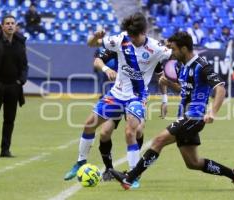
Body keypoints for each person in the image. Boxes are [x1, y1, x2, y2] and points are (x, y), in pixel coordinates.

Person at [109, 31, 234, 191]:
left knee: (158, 140)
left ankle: (130, 178)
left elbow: (220, 88)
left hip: (194, 117)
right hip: (186, 116)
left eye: (173, 49)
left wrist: (212, 112)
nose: (171, 52)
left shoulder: (202, 66)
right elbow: (186, 90)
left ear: (184, 48)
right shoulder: (182, 66)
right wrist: (170, 83)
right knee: (193, 163)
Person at [63, 12, 172, 188]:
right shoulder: (121, 39)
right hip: (117, 93)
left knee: (131, 132)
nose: (132, 39)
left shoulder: (156, 48)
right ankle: (80, 163)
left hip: (137, 96)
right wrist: (95, 37)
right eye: (130, 36)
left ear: (144, 32)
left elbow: (173, 60)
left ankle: (133, 175)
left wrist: (165, 99)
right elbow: (92, 45)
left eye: (135, 36)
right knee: (90, 124)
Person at [93, 47, 167, 181]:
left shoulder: (152, 51)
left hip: (137, 98)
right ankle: (109, 169)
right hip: (118, 96)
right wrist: (106, 69)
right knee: (104, 133)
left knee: (137, 131)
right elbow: (97, 59)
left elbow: (160, 76)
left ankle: (134, 172)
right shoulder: (119, 46)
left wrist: (164, 100)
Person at [0, 15, 28, 158]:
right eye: (7, 23)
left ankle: (5, 150)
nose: (10, 26)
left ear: (16, 25)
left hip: (14, 86)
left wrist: (21, 81)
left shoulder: (20, 42)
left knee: (9, 119)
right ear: (2, 26)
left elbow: (24, 65)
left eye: (13, 23)